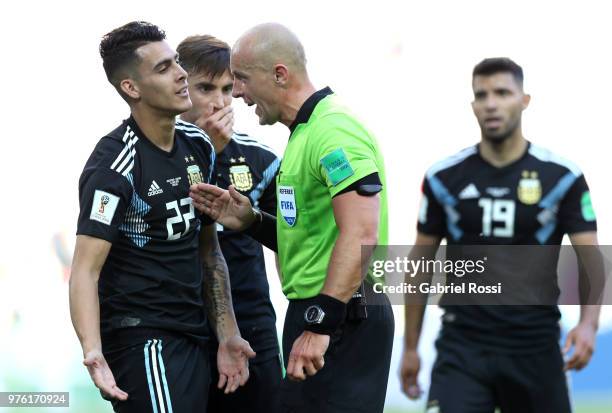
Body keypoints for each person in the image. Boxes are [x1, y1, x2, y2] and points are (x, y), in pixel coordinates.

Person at [190, 23, 394, 413]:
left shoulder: (334, 131)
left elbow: (362, 232)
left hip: (343, 315)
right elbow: (311, 236)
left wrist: (320, 324)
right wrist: (251, 221)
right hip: (324, 312)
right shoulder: (302, 135)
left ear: (280, 74)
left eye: (242, 79)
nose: (237, 93)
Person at [69, 21, 254, 413]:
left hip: (195, 335)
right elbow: (85, 270)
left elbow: (209, 251)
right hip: (144, 342)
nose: (181, 74)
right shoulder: (114, 167)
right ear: (131, 89)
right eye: (163, 68)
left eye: (176, 63)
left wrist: (227, 333)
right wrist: (93, 350)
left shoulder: (198, 145)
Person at [400, 57, 601, 413]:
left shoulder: (562, 177)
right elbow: (420, 262)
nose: (491, 103)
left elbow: (591, 261)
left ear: (524, 100)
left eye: (502, 92)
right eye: (482, 94)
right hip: (462, 347)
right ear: (473, 105)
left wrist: (588, 325)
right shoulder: (443, 179)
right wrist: (411, 347)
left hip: (535, 346)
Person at [177, 34, 283, 413]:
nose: (219, 101)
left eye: (227, 88)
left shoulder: (261, 159)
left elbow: (288, 237)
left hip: (251, 322)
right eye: (205, 88)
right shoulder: (153, 156)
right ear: (179, 85)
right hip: (181, 324)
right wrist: (205, 151)